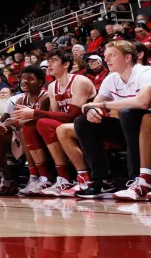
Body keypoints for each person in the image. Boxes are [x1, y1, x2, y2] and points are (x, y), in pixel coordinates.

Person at [12, 50, 95, 196]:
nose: (49, 64)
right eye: (48, 61)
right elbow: (56, 117)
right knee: (30, 126)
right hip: (66, 127)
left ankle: (67, 177)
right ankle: (47, 178)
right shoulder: (52, 87)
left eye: (54, 61)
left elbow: (72, 116)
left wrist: (35, 113)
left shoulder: (79, 81)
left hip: (88, 125)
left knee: (43, 122)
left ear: (66, 64)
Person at [75, 41, 151, 199]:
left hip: (147, 129)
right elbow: (92, 104)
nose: (107, 59)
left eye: (112, 55)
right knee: (83, 121)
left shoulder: (145, 72)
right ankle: (102, 180)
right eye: (105, 56)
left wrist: (102, 104)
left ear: (128, 57)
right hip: (128, 129)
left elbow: (143, 102)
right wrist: (91, 110)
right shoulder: (111, 78)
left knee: (127, 113)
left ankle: (137, 179)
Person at [0, 65, 48, 195]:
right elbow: (7, 119)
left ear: (40, 82)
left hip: (43, 138)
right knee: (2, 135)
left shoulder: (45, 97)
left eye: (30, 79)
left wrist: (13, 123)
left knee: (24, 129)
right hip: (25, 138)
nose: (24, 81)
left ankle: (35, 178)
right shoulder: (21, 99)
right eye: (23, 78)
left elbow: (42, 121)